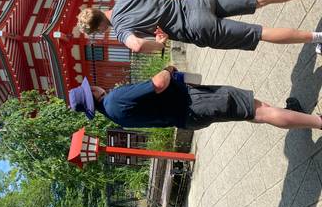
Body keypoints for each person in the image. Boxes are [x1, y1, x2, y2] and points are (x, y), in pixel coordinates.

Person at [76, 0, 322, 54]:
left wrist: (159, 44)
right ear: (99, 10)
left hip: (197, 27)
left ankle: (317, 38)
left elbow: (138, 45)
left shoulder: (120, 30)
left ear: (99, 28)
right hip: (197, 2)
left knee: (259, 32)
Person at [68, 68, 322, 131]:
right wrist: (167, 70)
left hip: (187, 118)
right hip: (194, 101)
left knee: (248, 111)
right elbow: (158, 83)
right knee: (259, 111)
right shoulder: (115, 99)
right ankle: (317, 121)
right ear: (92, 95)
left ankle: (297, 116)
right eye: (90, 87)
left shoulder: (114, 116)